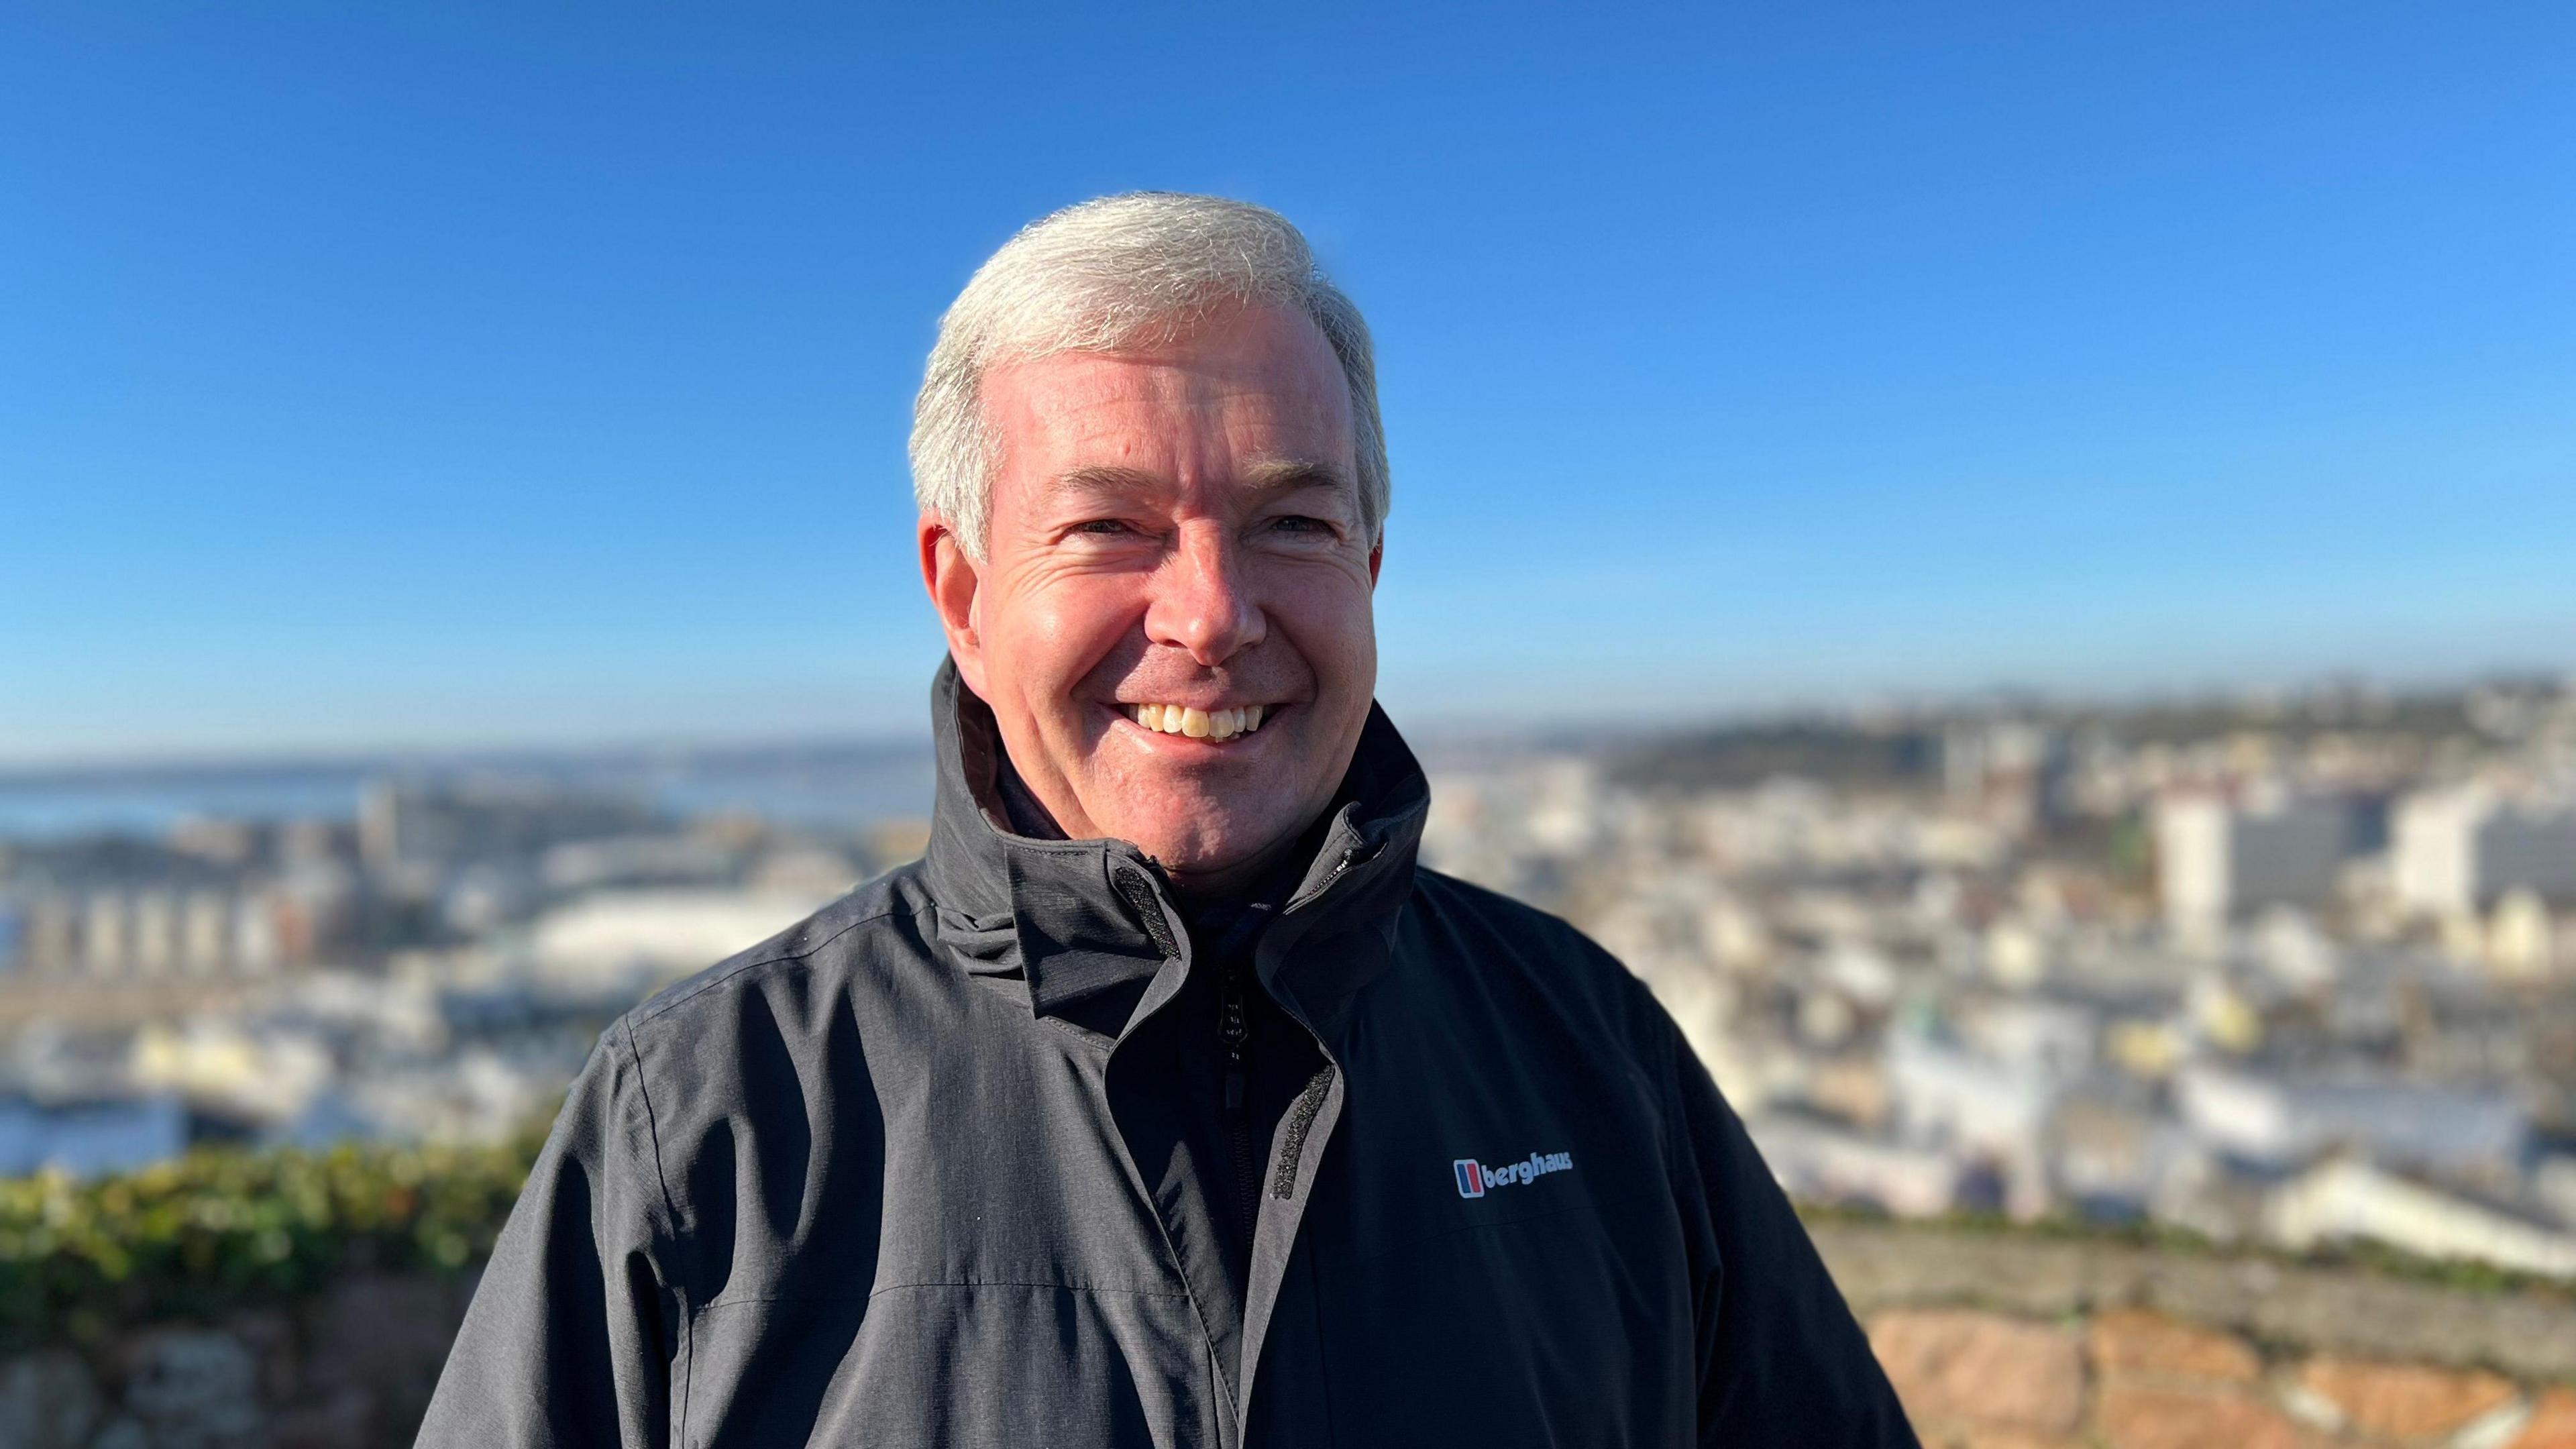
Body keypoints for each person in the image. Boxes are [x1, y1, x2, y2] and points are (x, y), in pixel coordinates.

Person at [419, 193, 1917, 1448]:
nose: (1212, 613)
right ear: (965, 597)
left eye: (1293, 523)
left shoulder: (1589, 1052)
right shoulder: (709, 1126)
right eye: (1110, 527)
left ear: (1372, 572)